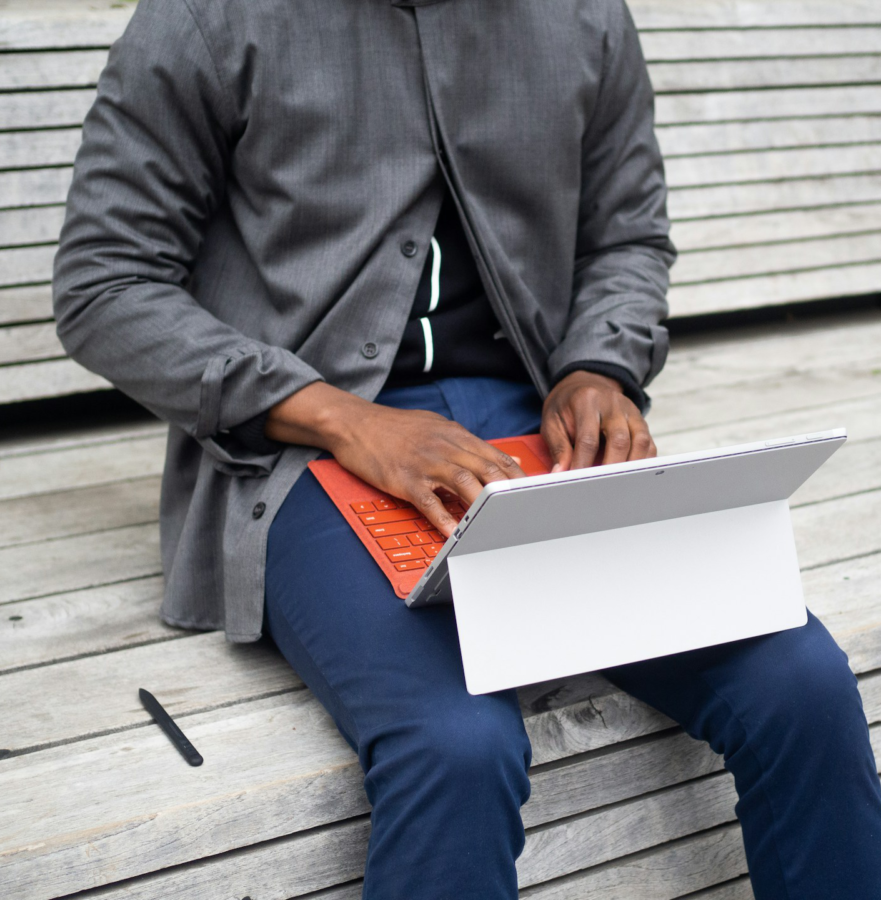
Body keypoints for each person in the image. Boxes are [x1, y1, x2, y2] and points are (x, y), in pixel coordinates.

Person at [53, 1, 881, 897]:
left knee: (800, 683)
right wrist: (337, 415)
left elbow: (626, 238)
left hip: (540, 431)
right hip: (297, 444)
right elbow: (106, 282)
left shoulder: (583, 17)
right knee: (455, 743)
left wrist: (599, 365)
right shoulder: (207, 19)